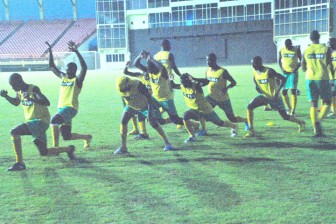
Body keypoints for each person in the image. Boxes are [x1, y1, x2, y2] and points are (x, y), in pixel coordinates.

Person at [0, 73, 75, 171]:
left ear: (19, 81)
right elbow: (16, 102)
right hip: (33, 122)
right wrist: (6, 96)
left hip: (41, 121)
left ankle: (20, 163)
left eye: (13, 85)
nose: (12, 87)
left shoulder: (34, 89)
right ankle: (68, 149)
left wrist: (31, 98)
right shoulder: (19, 91)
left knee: (14, 131)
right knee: (44, 152)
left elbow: (46, 102)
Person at [46, 41, 92, 148]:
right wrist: (50, 52)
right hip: (62, 109)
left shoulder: (78, 80)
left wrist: (76, 51)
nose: (66, 72)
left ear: (74, 71)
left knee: (54, 121)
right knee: (66, 136)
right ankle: (86, 137)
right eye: (65, 70)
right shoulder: (63, 77)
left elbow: (84, 68)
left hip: (70, 108)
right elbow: (52, 67)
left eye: (68, 70)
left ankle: (55, 148)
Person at [245, 56, 305, 138]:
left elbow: (283, 79)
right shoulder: (255, 71)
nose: (253, 66)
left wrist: (277, 93)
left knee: (285, 116)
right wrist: (256, 86)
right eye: (252, 64)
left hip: (275, 98)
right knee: (249, 107)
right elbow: (255, 78)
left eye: (254, 64)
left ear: (260, 63)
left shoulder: (269, 71)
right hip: (264, 96)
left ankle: (300, 122)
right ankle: (251, 131)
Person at [171, 73, 238, 142]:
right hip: (195, 109)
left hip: (206, 110)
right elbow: (173, 85)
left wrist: (194, 78)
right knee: (186, 115)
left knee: (220, 123)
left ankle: (234, 126)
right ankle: (192, 136)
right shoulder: (183, 86)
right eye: (183, 83)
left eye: (185, 82)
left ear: (189, 81)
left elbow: (206, 81)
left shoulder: (196, 86)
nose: (184, 85)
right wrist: (171, 79)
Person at [115, 76, 173, 153]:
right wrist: (125, 108)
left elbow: (149, 98)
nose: (125, 90)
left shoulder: (138, 85)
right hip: (131, 106)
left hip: (145, 106)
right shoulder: (121, 88)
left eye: (126, 88)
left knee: (155, 123)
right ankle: (123, 147)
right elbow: (123, 97)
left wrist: (149, 113)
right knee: (123, 121)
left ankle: (168, 143)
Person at [134, 50, 188, 128]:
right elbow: (136, 64)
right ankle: (144, 130)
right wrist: (140, 56)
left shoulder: (162, 73)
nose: (149, 70)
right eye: (148, 68)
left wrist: (151, 59)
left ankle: (193, 124)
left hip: (166, 99)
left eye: (150, 68)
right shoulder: (150, 71)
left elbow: (162, 67)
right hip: (155, 99)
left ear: (155, 67)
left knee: (176, 120)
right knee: (146, 110)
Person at [203, 53, 248, 136]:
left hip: (223, 99)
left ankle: (246, 120)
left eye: (210, 60)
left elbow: (233, 82)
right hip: (211, 98)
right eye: (207, 60)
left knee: (232, 118)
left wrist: (226, 88)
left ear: (214, 60)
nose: (208, 62)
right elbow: (206, 81)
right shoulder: (207, 70)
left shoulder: (222, 71)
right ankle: (203, 130)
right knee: (203, 111)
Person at [302, 30, 332, 136]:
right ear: (319, 37)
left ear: (310, 38)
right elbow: (329, 64)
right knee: (328, 101)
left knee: (313, 103)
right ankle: (318, 121)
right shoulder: (326, 49)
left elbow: (303, 67)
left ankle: (316, 129)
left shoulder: (306, 50)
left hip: (309, 78)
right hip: (322, 78)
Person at [154, 39, 183, 129]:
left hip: (158, 81)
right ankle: (177, 121)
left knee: (163, 100)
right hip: (168, 80)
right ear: (166, 45)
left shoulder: (155, 56)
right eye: (169, 44)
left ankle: (163, 115)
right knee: (169, 100)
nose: (170, 46)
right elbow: (174, 67)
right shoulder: (169, 55)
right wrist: (181, 75)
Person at [123, 60, 151, 139]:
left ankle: (178, 121)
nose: (146, 76)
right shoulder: (140, 75)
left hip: (152, 100)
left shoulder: (154, 77)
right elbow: (126, 72)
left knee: (159, 121)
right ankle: (138, 130)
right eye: (145, 75)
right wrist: (126, 66)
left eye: (147, 75)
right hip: (142, 100)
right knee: (133, 109)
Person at [278, 39, 302, 115]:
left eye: (289, 46)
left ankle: (293, 111)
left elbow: (301, 60)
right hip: (285, 73)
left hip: (293, 73)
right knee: (284, 92)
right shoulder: (281, 50)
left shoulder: (296, 50)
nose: (287, 48)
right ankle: (289, 108)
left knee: (293, 91)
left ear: (291, 44)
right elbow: (279, 60)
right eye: (286, 46)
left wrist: (296, 68)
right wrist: (281, 68)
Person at [327, 37, 336, 117]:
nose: (329, 44)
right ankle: (333, 109)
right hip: (330, 77)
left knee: (333, 95)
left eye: (330, 42)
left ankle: (334, 111)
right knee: (332, 95)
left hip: (334, 77)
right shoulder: (329, 52)